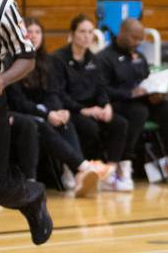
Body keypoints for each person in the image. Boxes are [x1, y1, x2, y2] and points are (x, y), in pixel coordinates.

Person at [6, 18, 104, 197]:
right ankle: (83, 166)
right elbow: (17, 100)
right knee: (40, 124)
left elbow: (53, 92)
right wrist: (46, 113)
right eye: (30, 32)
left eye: (38, 32)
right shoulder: (12, 61)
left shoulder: (46, 61)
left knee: (66, 121)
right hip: (20, 112)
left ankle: (78, 176)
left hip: (43, 111)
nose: (34, 36)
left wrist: (58, 110)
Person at [95, 18, 168, 186]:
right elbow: (103, 90)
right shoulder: (104, 58)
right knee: (139, 111)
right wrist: (130, 93)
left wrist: (156, 93)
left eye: (141, 38)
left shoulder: (140, 56)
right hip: (118, 103)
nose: (138, 42)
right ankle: (124, 164)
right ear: (122, 33)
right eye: (135, 38)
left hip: (141, 101)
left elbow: (146, 81)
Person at [51, 14, 129, 192]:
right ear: (72, 34)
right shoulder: (58, 59)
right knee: (89, 128)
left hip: (93, 109)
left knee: (120, 124)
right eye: (82, 32)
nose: (87, 36)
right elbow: (59, 93)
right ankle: (73, 167)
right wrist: (83, 110)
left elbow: (101, 88)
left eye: (90, 32)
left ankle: (109, 173)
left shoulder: (94, 59)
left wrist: (106, 105)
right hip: (72, 110)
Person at [0, 0, 52, 245]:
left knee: (0, 187)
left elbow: (27, 57)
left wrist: (2, 80)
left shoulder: (3, 7)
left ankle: (32, 196)